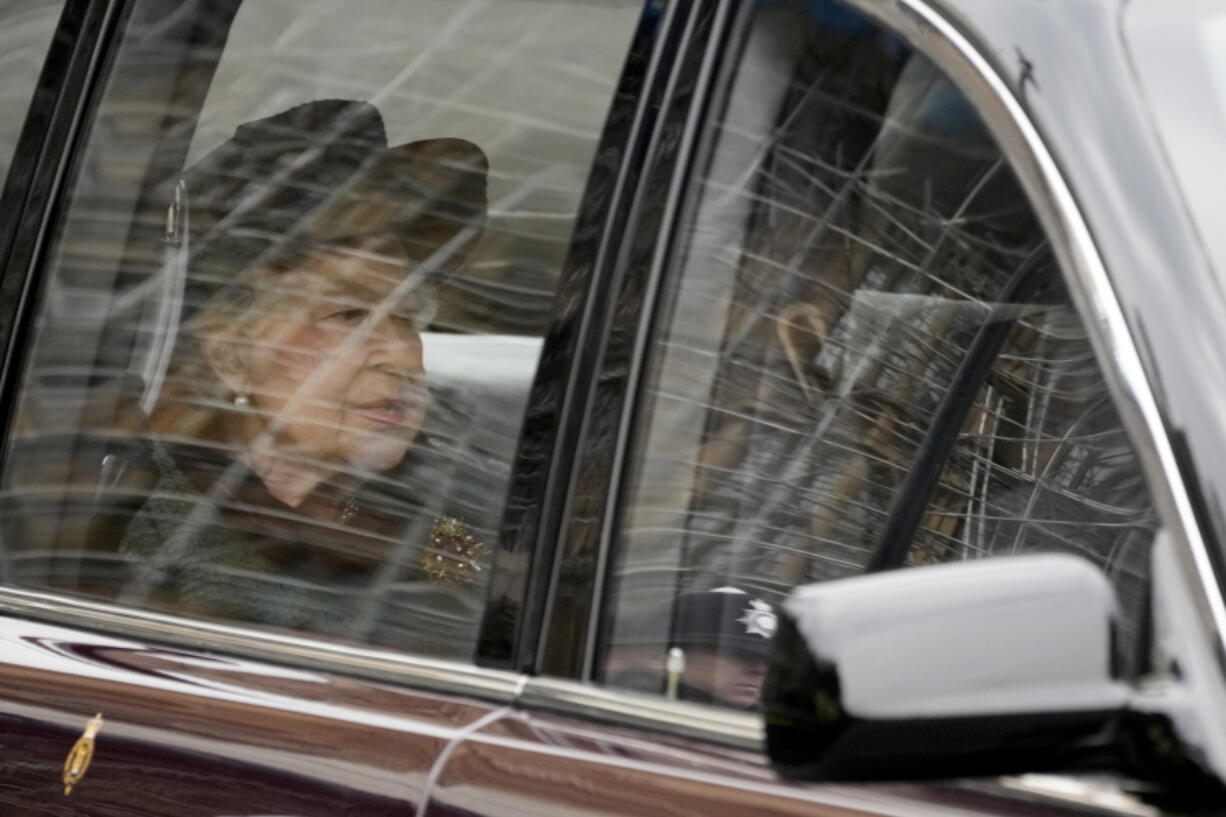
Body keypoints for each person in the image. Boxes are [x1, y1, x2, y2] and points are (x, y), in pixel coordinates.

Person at [112, 99, 491, 653]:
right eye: (347, 315)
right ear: (231, 354)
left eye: (408, 320)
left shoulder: (423, 513)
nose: (404, 357)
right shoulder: (142, 528)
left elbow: (498, 595)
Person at [604, 587, 778, 709]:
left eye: (769, 662)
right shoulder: (625, 707)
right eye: (741, 654)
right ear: (670, 658)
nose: (759, 670)